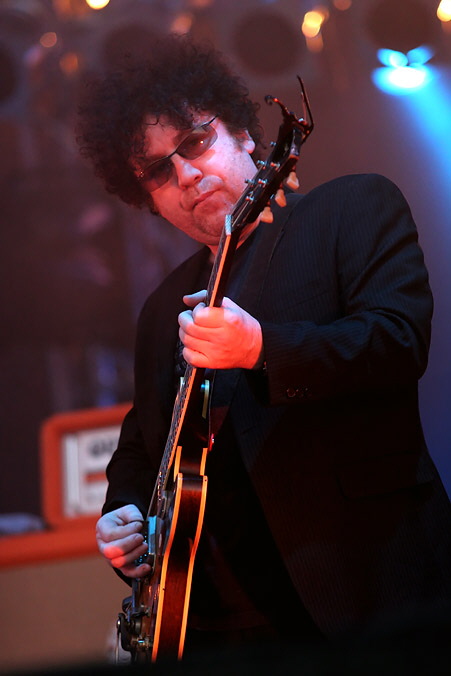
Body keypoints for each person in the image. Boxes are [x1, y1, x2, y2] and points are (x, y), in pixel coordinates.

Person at [76, 33, 451, 660]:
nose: (186, 174)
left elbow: (397, 342)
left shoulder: (351, 207)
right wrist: (125, 515)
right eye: (158, 171)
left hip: (367, 586)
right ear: (147, 199)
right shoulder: (162, 308)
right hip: (212, 622)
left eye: (195, 142)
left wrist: (261, 347)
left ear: (243, 134)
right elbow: (142, 446)